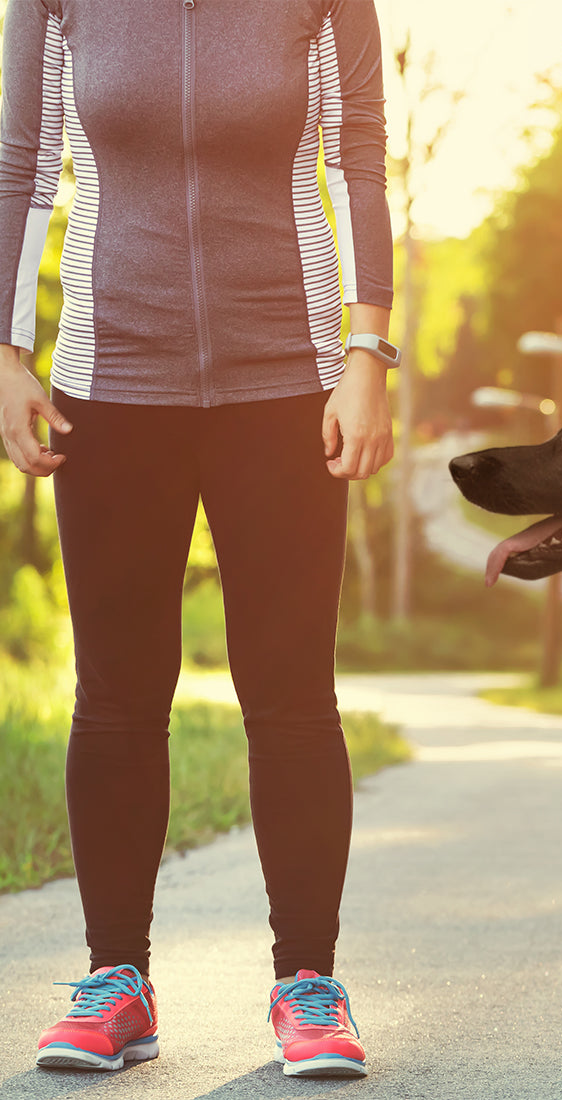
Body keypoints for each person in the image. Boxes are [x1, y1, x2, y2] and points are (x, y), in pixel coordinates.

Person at [0, 0, 397, 1079]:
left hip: (288, 374)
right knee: (118, 691)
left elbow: (356, 150)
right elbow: (22, 162)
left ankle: (307, 982)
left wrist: (367, 350)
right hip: (111, 376)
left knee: (291, 691)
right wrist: (6, 347)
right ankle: (114, 980)